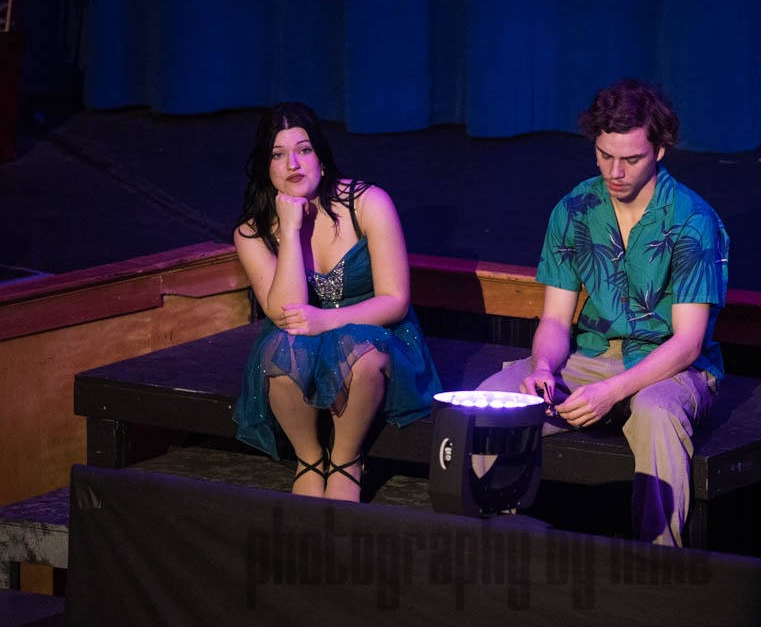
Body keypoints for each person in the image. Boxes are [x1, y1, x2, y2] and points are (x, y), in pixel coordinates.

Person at [476, 80, 729, 546]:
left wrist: (611, 392)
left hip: (669, 366)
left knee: (654, 412)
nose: (615, 171)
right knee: (492, 402)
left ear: (659, 151)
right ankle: (495, 547)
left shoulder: (691, 220)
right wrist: (543, 367)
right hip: (592, 357)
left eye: (630, 159)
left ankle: (656, 565)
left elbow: (687, 343)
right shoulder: (574, 209)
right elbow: (556, 320)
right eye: (604, 155)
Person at [232, 102, 441, 502]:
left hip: (378, 330)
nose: (293, 164)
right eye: (278, 155)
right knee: (283, 353)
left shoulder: (368, 202)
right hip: (302, 335)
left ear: (321, 158)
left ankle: (346, 459)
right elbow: (285, 314)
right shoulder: (251, 231)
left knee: (360, 352)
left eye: (304, 150)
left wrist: (326, 321)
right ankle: (309, 458)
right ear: (265, 167)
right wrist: (290, 231)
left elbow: (395, 301)